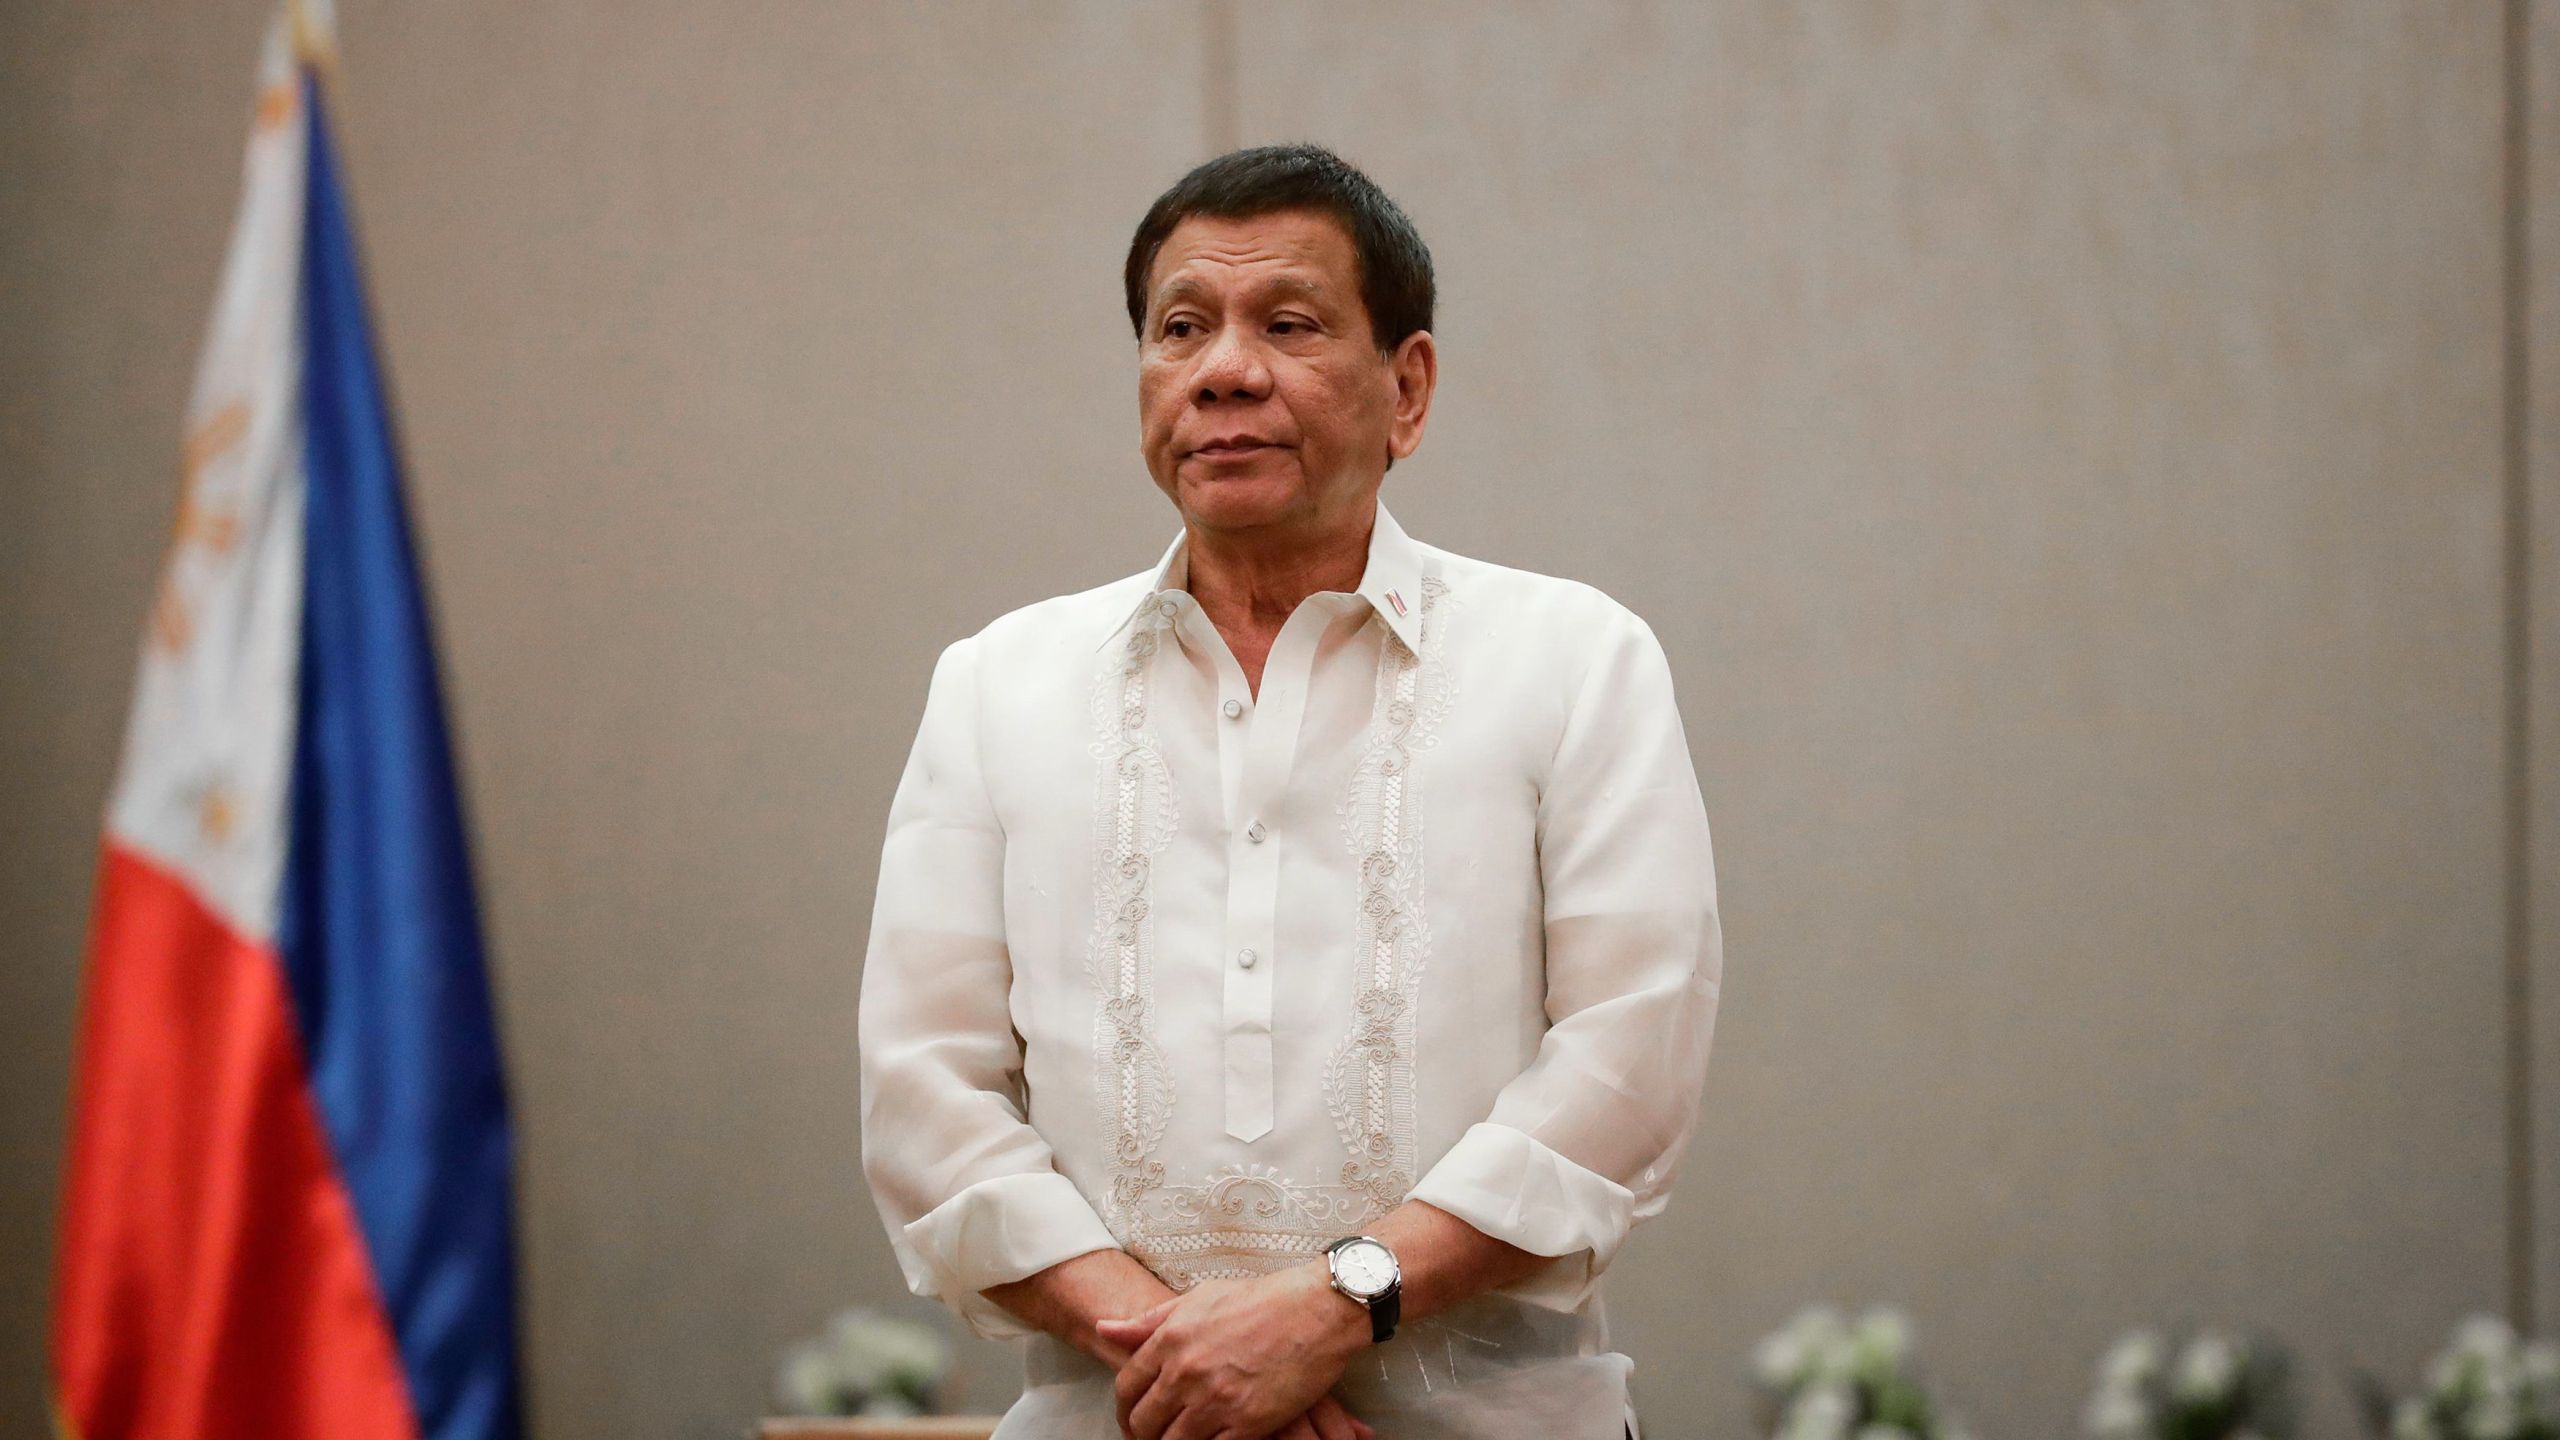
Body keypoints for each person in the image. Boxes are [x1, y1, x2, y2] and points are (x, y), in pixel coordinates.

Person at [857, 142, 1722, 1440]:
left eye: (1290, 324)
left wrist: (1328, 1310)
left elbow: (1628, 1068)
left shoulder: (1575, 661)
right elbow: (926, 1095)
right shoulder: (999, 684)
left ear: (1408, 389)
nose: (1224, 370)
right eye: (1181, 327)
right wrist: (1185, 1359)